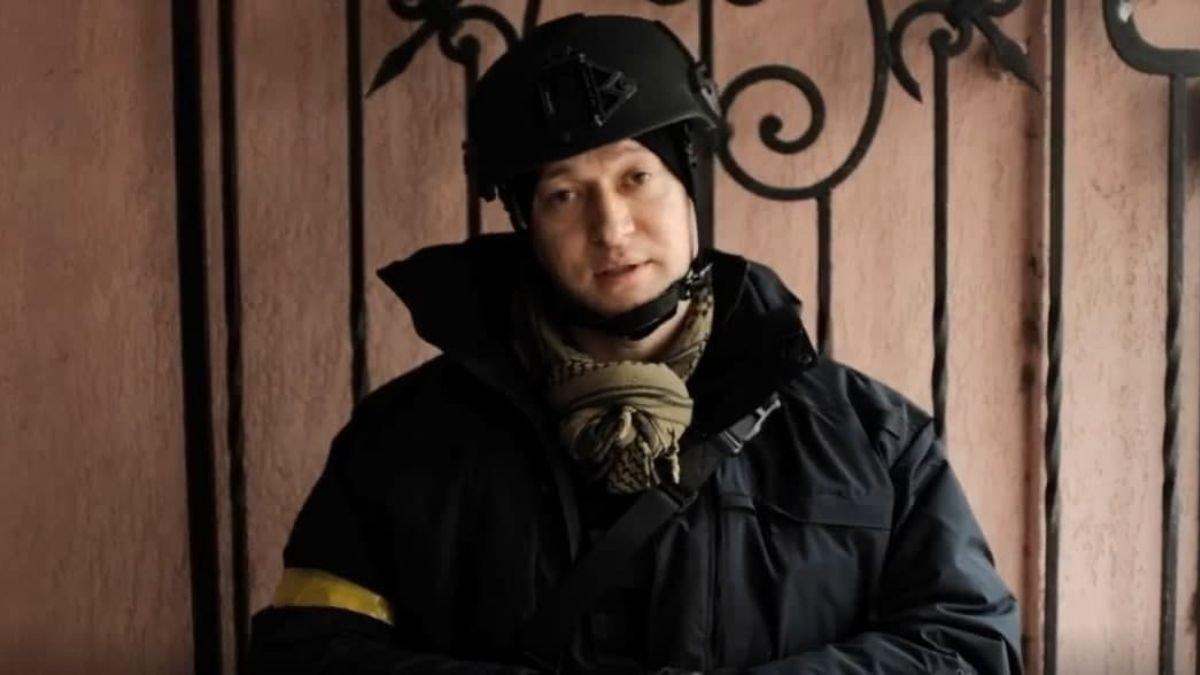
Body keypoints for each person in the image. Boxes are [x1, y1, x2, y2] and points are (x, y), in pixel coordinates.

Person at [248, 13, 1021, 674]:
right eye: (564, 194)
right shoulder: (402, 440)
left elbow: (969, 642)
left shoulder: (868, 436)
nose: (610, 227)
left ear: (689, 183)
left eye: (635, 177)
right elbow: (303, 652)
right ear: (525, 222)